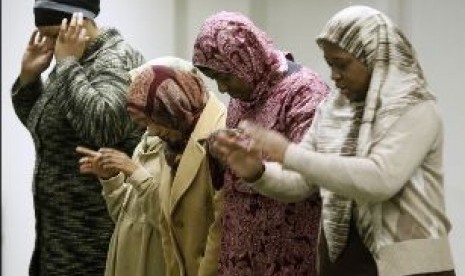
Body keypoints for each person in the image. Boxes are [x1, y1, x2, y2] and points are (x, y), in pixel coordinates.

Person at [210, 6, 456, 276]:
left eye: (342, 64)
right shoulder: (332, 110)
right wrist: (258, 172)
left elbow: (380, 179)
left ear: (374, 56)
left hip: (412, 269)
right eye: (330, 65)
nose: (335, 76)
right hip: (342, 264)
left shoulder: (415, 108)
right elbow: (301, 181)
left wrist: (288, 154)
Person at [11, 0, 145, 274]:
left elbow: (103, 127)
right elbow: (48, 129)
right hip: (60, 237)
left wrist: (68, 65)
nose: (48, 43)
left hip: (95, 239)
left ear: (78, 22)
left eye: (53, 34)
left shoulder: (116, 59)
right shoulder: (73, 59)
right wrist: (29, 79)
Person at [192, 11, 330, 275]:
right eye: (216, 79)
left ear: (248, 58)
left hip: (288, 251)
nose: (222, 89)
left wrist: (258, 169)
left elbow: (310, 177)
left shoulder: (305, 92)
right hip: (240, 251)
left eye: (226, 77)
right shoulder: (244, 95)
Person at [75, 57, 195, 276]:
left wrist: (133, 171)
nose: (147, 126)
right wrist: (111, 178)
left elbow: (175, 223)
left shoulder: (187, 146)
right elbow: (125, 215)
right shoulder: (149, 139)